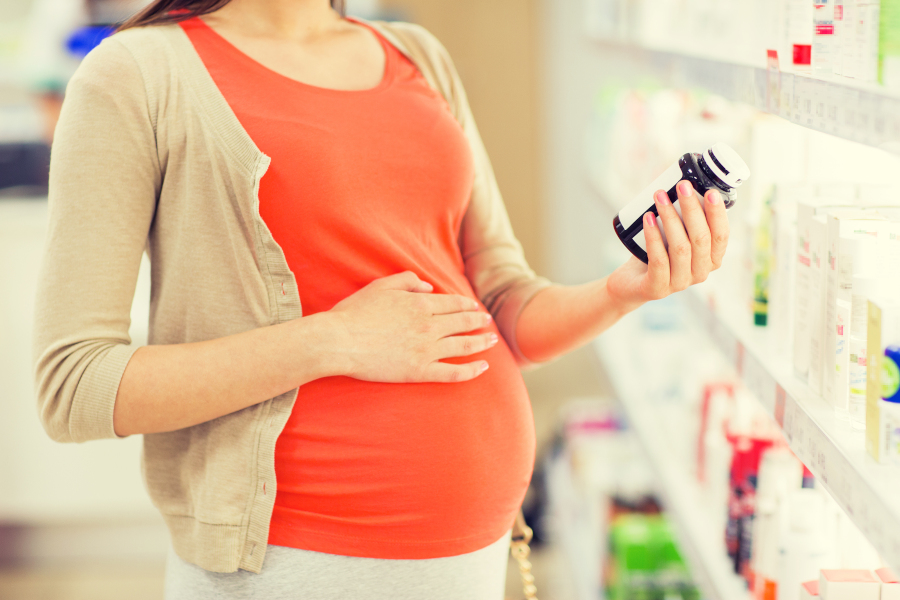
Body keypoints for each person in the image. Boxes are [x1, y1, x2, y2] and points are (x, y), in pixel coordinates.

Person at [32, 0, 730, 597]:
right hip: (295, 561)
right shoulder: (136, 75)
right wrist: (331, 341)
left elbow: (506, 305)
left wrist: (625, 290)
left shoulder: (415, 54)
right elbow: (75, 385)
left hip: (469, 551)